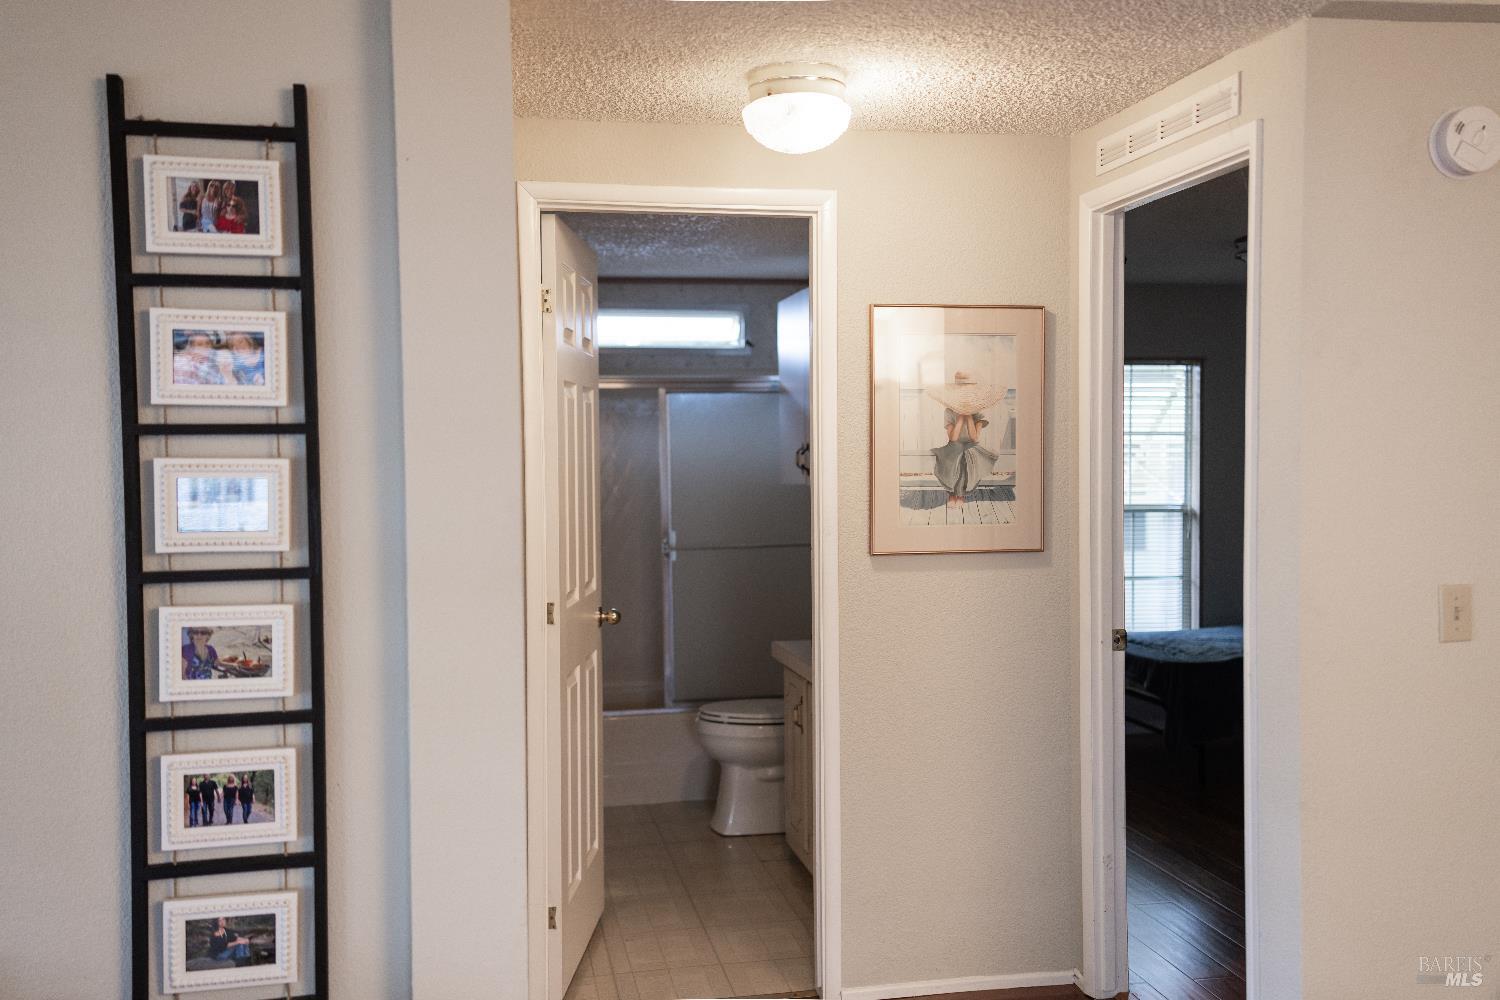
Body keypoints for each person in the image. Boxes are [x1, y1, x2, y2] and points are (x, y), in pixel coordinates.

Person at [926, 371, 1003, 507]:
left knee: (965, 459)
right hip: (954, 446)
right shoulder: (949, 412)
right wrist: (960, 417)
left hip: (971, 446)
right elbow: (953, 438)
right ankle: (952, 493)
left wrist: (968, 416)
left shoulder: (978, 414)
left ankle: (960, 494)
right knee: (953, 459)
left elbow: (974, 438)